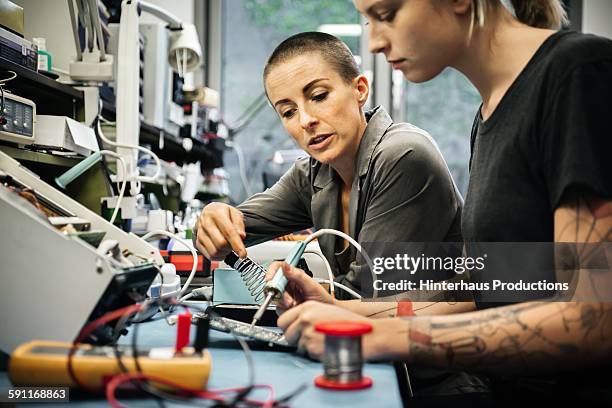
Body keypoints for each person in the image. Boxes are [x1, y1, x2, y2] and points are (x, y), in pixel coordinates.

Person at [269, 0, 612, 403]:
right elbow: (493, 293)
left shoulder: (577, 75)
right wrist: (341, 311)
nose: (376, 42)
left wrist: (391, 336)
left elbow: (593, 320)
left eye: (388, 14)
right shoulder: (489, 113)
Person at [195, 32, 463, 295]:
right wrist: (211, 219)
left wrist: (299, 288)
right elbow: (231, 228)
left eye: (319, 96)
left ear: (359, 90)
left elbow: (367, 295)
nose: (305, 120)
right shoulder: (312, 174)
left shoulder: (404, 155)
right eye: (288, 112)